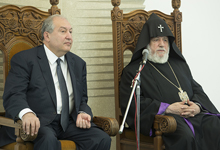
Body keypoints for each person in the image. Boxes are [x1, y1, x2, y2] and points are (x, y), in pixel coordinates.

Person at [0, 14, 111, 150]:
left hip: (68, 123)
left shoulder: (78, 63)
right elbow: (14, 94)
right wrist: (26, 113)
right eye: (63, 31)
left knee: (101, 139)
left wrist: (83, 112)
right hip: (38, 123)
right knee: (48, 139)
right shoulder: (25, 59)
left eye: (70, 32)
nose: (69, 36)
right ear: (47, 36)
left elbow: (82, 99)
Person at [119, 13, 220, 150]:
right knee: (184, 136)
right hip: (166, 121)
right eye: (156, 40)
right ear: (146, 43)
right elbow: (132, 104)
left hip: (192, 116)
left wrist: (196, 106)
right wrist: (166, 108)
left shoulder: (179, 65)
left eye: (165, 40)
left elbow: (196, 89)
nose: (161, 44)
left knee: (216, 125)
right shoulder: (135, 71)